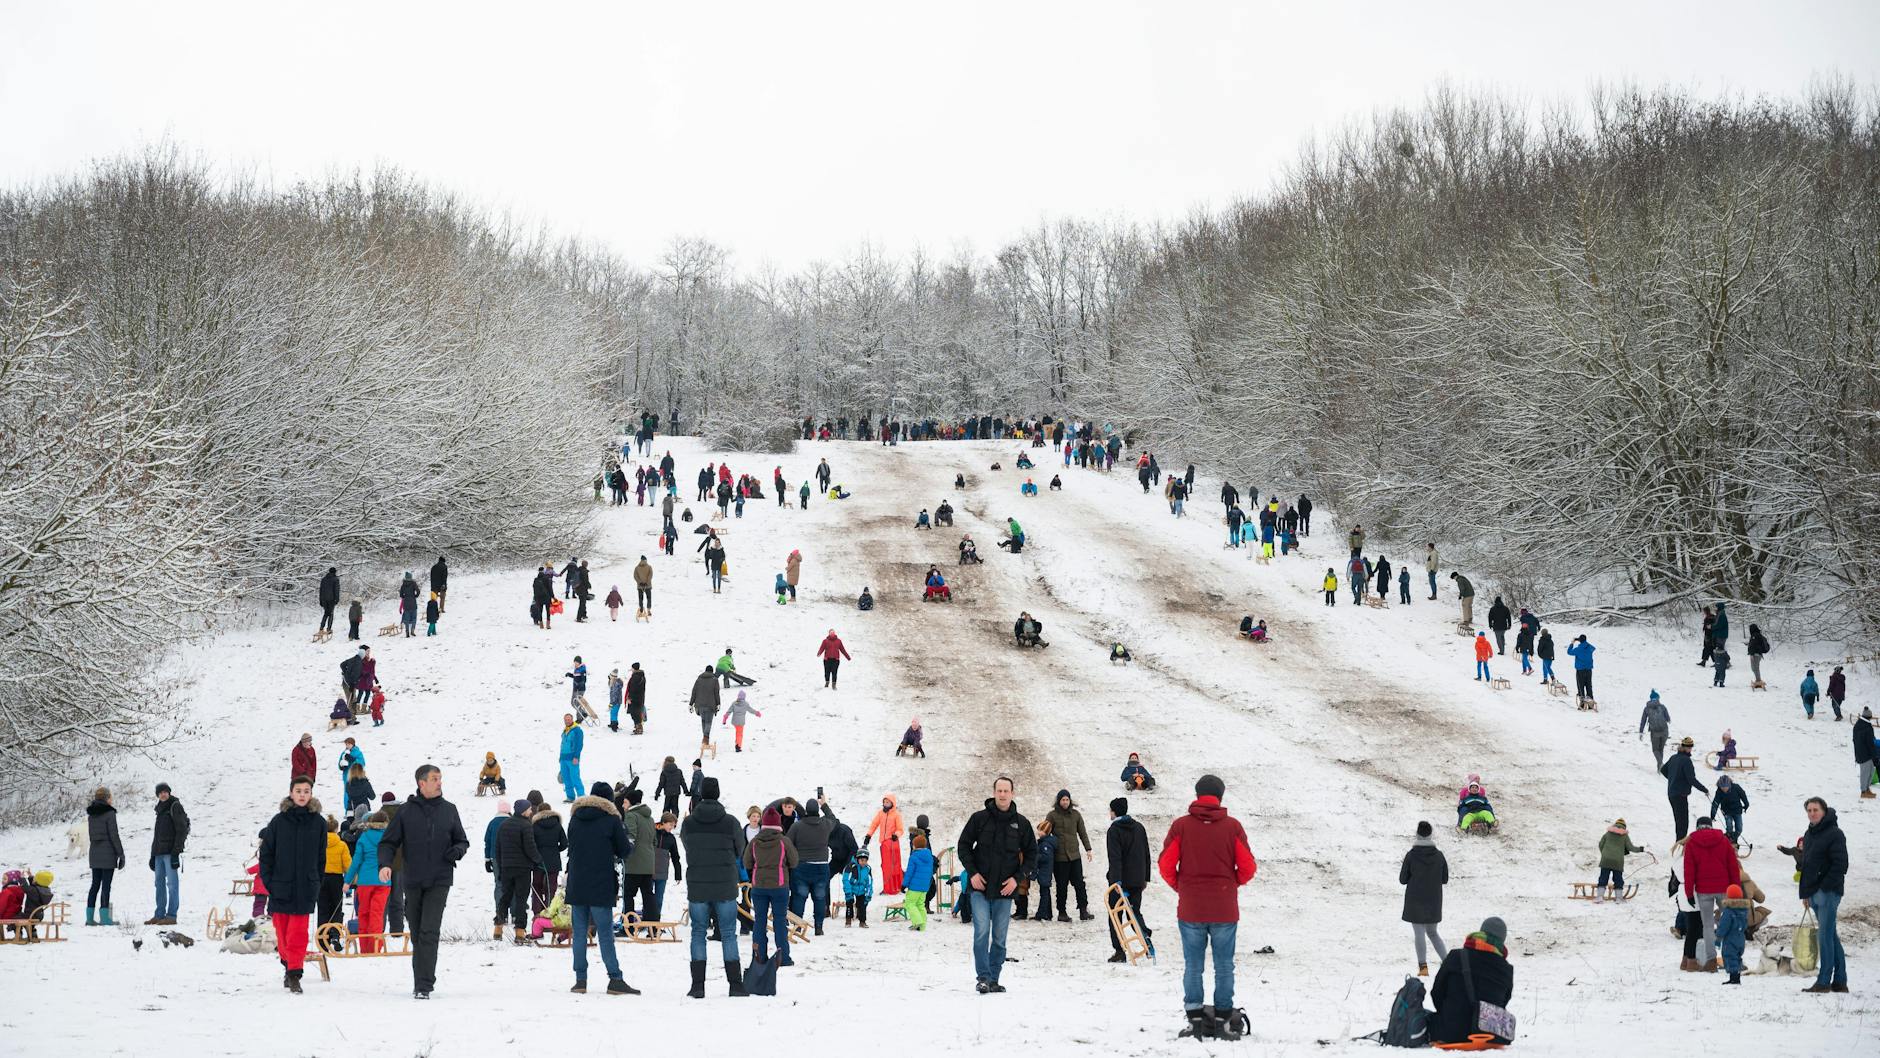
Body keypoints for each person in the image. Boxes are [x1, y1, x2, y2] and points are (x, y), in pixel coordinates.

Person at [1159, 774, 1257, 1040]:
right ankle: (1224, 1022)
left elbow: (1166, 864)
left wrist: (1182, 887)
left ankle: (1195, 1022)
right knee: (1224, 966)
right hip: (1224, 908)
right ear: (1221, 796)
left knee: (1193, 966)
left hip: (1191, 908)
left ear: (1197, 793)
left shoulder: (1181, 826)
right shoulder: (1233, 827)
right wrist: (1232, 883)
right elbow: (1248, 867)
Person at [377, 763, 469, 999]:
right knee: (417, 932)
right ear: (422, 783)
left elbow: (462, 841)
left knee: (429, 931)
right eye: (435, 778)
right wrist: (385, 864)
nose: (440, 782)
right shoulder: (406, 811)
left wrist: (456, 852)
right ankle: (422, 979)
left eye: (440, 778)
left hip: (440, 879)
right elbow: (388, 842)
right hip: (414, 879)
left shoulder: (450, 810)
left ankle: (423, 985)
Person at [958, 776, 1035, 994]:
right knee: (982, 932)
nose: (1002, 794)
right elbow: (964, 845)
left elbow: (1032, 854)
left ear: (1012, 793)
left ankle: (993, 978)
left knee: (999, 938)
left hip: (1004, 891)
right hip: (979, 888)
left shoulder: (1021, 823)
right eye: (999, 790)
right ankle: (983, 977)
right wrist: (972, 873)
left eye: (1006, 791)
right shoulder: (979, 819)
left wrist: (1017, 879)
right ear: (994, 793)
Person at [563, 782, 637, 994]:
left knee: (579, 933)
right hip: (601, 883)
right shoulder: (611, 820)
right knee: (605, 933)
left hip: (577, 883)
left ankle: (580, 980)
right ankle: (615, 978)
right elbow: (624, 850)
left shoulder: (575, 819)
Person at [680, 776, 749, 998]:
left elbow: (687, 846)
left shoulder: (689, 823)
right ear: (718, 793)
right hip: (725, 885)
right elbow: (740, 851)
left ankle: (698, 986)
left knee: (698, 933)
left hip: (698, 885)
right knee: (729, 933)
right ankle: (735, 985)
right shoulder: (731, 822)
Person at [259, 776, 326, 993]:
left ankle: (295, 973)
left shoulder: (319, 823)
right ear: (291, 793)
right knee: (282, 934)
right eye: (299, 791)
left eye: (306, 791)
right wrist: (269, 882)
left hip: (305, 888)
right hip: (280, 887)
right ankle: (288, 965)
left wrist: (316, 882)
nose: (302, 795)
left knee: (297, 934)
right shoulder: (278, 822)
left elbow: (320, 858)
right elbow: (266, 854)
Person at [1429, 917, 1514, 1047]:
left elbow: (1437, 993)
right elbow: (1503, 1002)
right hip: (1490, 1036)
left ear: (1481, 932)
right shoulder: (1506, 969)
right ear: (1502, 940)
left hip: (1449, 1031)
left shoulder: (1455, 957)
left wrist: (1450, 1012)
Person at [1797, 796, 1849, 993]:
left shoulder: (1835, 834)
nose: (1812, 813)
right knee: (1830, 936)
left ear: (1824, 811)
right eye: (1809, 810)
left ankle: (1824, 981)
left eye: (1815, 810)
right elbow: (1807, 866)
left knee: (1825, 936)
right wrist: (1806, 894)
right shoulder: (1809, 834)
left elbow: (1841, 865)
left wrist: (1825, 887)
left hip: (1829, 892)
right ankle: (1840, 981)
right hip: (1814, 893)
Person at [1683, 816, 1741, 971]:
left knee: (1707, 926)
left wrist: (1689, 893)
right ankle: (1733, 958)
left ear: (1697, 827)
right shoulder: (1723, 841)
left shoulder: (1691, 843)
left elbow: (1689, 871)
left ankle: (1711, 961)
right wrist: (1736, 887)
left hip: (1703, 891)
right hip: (1724, 889)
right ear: (1710, 826)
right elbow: (1733, 866)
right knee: (1730, 924)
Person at [744, 807, 799, 966]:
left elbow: (747, 862)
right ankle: (784, 958)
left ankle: (759, 956)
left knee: (759, 921)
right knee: (780, 921)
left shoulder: (754, 842)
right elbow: (794, 861)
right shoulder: (784, 841)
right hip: (780, 885)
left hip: (759, 886)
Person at [1105, 797, 1152, 963]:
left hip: (1121, 881)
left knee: (1115, 916)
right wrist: (1145, 877)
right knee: (1134, 911)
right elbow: (1146, 853)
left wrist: (1115, 881)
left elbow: (1115, 858)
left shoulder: (1114, 830)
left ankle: (1119, 950)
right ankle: (1144, 935)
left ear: (1114, 811)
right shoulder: (1139, 827)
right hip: (1138, 879)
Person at [1400, 820, 1448, 975]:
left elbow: (1403, 879)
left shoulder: (1411, 855)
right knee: (1433, 932)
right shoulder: (1439, 856)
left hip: (1415, 899)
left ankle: (1423, 967)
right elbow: (1444, 879)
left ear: (1417, 834)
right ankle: (1447, 963)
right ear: (1430, 835)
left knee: (1419, 933)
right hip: (1434, 900)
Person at [491, 798, 541, 943]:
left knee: (505, 897)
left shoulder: (504, 824)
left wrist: (500, 866)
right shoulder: (526, 826)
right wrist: (538, 860)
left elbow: (498, 848)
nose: (531, 811)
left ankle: (498, 928)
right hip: (522, 868)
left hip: (506, 867)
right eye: (529, 809)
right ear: (524, 810)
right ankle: (519, 933)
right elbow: (530, 847)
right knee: (520, 898)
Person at [341, 809, 391, 951]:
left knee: (363, 913)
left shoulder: (364, 837)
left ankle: (365, 948)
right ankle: (375, 947)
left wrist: (347, 881)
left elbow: (356, 861)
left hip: (364, 882)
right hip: (383, 881)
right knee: (377, 914)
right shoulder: (389, 838)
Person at [785, 798, 835, 934]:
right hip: (821, 867)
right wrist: (823, 804)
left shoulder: (797, 826)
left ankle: (798, 926)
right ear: (817, 810)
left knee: (799, 897)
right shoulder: (825, 824)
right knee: (819, 898)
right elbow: (833, 819)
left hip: (802, 866)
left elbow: (787, 843)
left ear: (806, 810)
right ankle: (818, 927)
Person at [1045, 789, 1095, 921]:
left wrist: (1088, 849)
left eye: (1067, 799)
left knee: (1079, 884)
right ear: (1059, 801)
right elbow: (1044, 832)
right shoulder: (1052, 815)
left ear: (1070, 801)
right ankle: (1062, 912)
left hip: (1074, 856)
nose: (1065, 802)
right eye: (1063, 800)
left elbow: (1082, 833)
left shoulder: (1076, 815)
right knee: (1061, 886)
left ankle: (1083, 910)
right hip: (1059, 858)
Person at [146, 782, 189, 926]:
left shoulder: (175, 806)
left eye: (165, 792)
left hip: (170, 853)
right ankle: (159, 915)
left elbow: (182, 829)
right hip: (159, 853)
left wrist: (176, 852)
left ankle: (171, 916)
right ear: (157, 795)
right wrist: (153, 855)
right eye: (160, 792)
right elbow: (157, 835)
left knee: (172, 884)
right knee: (159, 884)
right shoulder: (159, 810)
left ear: (169, 793)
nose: (163, 794)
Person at [84, 787, 125, 927]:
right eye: (110, 797)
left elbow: (92, 836)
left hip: (94, 853)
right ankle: (104, 918)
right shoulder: (110, 813)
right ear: (107, 798)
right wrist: (121, 854)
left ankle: (89, 918)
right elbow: (114, 835)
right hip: (108, 854)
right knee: (106, 885)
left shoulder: (91, 815)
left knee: (95, 885)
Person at [1662, 737, 1708, 840]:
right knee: (1683, 822)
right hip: (1680, 795)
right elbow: (1691, 779)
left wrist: (1673, 779)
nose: (1690, 749)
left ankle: (1679, 843)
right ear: (1687, 748)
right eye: (1690, 747)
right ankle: (1680, 845)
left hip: (1672, 794)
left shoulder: (1674, 757)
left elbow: (1663, 770)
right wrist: (1704, 789)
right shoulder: (1686, 761)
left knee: (1678, 821)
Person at [317, 815, 352, 947]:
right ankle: (335, 935)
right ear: (336, 829)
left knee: (323, 908)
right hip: (336, 879)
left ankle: (322, 938)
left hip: (321, 878)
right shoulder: (341, 845)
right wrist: (350, 879)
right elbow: (348, 865)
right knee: (336, 908)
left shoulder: (319, 844)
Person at [864, 794, 905, 895]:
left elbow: (900, 829)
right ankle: (887, 888)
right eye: (884, 802)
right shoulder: (880, 814)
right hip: (884, 844)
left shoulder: (896, 814)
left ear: (892, 803)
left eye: (888, 802)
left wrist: (896, 835)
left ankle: (898, 886)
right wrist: (868, 835)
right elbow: (874, 824)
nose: (886, 804)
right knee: (886, 867)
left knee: (895, 866)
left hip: (893, 843)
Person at [1596, 818, 1643, 903]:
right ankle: (1618, 898)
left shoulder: (1608, 833)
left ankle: (1599, 897)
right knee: (1618, 879)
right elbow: (1630, 848)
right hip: (1617, 861)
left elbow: (1600, 844)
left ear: (1615, 824)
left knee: (1603, 877)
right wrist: (1641, 849)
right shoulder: (1624, 835)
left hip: (1606, 859)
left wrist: (1604, 854)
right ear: (1624, 827)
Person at [1718, 883, 1750, 984]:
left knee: (1730, 956)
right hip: (1740, 938)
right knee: (1737, 957)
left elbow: (1724, 925)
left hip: (1730, 939)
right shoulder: (1744, 910)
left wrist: (1719, 934)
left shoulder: (1728, 911)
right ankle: (1736, 976)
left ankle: (1734, 977)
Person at [904, 833, 936, 931]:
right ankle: (922, 926)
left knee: (909, 903)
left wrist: (904, 884)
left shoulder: (914, 857)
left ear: (915, 845)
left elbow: (909, 872)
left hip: (914, 886)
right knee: (920, 905)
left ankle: (917, 922)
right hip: (925, 886)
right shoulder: (929, 856)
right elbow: (930, 871)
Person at [1712, 775, 1749, 844]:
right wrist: (1712, 815)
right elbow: (1715, 803)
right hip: (1726, 811)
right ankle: (1729, 841)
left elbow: (1743, 795)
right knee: (1729, 827)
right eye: (1722, 788)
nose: (1724, 789)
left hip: (1737, 810)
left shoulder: (1736, 787)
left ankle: (1732, 840)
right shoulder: (1719, 791)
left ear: (1729, 785)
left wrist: (1746, 804)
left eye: (1726, 787)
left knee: (1739, 829)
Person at [690, 667, 720, 750]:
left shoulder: (699, 679)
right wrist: (718, 703)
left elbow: (694, 692)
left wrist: (691, 703)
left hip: (700, 705)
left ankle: (705, 739)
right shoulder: (714, 680)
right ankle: (705, 738)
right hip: (710, 705)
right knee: (708, 722)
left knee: (703, 721)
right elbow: (716, 693)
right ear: (712, 671)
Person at [1639, 691, 1671, 769]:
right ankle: (1660, 768)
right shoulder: (1662, 707)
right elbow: (1668, 719)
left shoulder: (1647, 709)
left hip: (1655, 733)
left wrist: (1641, 732)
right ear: (1657, 698)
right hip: (1664, 731)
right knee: (1661, 749)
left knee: (1655, 750)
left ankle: (1660, 764)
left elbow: (1643, 720)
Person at [843, 849, 874, 927]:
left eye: (865, 860)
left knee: (862, 905)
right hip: (851, 888)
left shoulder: (868, 869)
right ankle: (848, 920)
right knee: (849, 903)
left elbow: (869, 882)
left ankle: (862, 921)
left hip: (861, 889)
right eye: (861, 860)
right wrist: (848, 892)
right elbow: (846, 879)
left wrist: (868, 894)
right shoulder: (851, 867)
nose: (863, 862)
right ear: (857, 859)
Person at [558, 714, 585, 803]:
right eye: (565, 719)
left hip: (572, 759)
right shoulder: (565, 730)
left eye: (569, 719)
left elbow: (579, 745)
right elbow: (562, 745)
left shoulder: (577, 730)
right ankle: (570, 797)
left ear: (572, 719)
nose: (567, 721)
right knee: (566, 778)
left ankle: (581, 797)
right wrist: (560, 757)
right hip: (563, 758)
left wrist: (576, 756)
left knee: (575, 777)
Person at [1566, 634, 1596, 703]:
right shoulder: (1589, 647)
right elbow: (1593, 648)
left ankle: (1582, 703)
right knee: (1589, 685)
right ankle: (1590, 700)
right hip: (1589, 669)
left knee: (1580, 686)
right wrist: (1585, 642)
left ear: (1580, 640)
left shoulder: (1578, 649)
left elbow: (1569, 652)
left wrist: (1572, 643)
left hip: (1580, 670)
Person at [1856, 707, 1877, 798]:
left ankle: (1867, 789)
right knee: (1865, 773)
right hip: (1866, 754)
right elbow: (1870, 743)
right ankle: (1863, 791)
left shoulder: (1859, 724)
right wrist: (1874, 755)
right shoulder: (1867, 727)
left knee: (1871, 771)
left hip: (1861, 753)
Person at [317, 566, 339, 636]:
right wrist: (337, 599)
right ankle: (328, 629)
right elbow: (336, 590)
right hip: (331, 599)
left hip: (324, 599)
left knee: (326, 613)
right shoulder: (335, 579)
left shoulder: (323, 579)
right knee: (331, 614)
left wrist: (320, 600)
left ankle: (321, 628)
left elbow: (321, 590)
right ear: (335, 572)